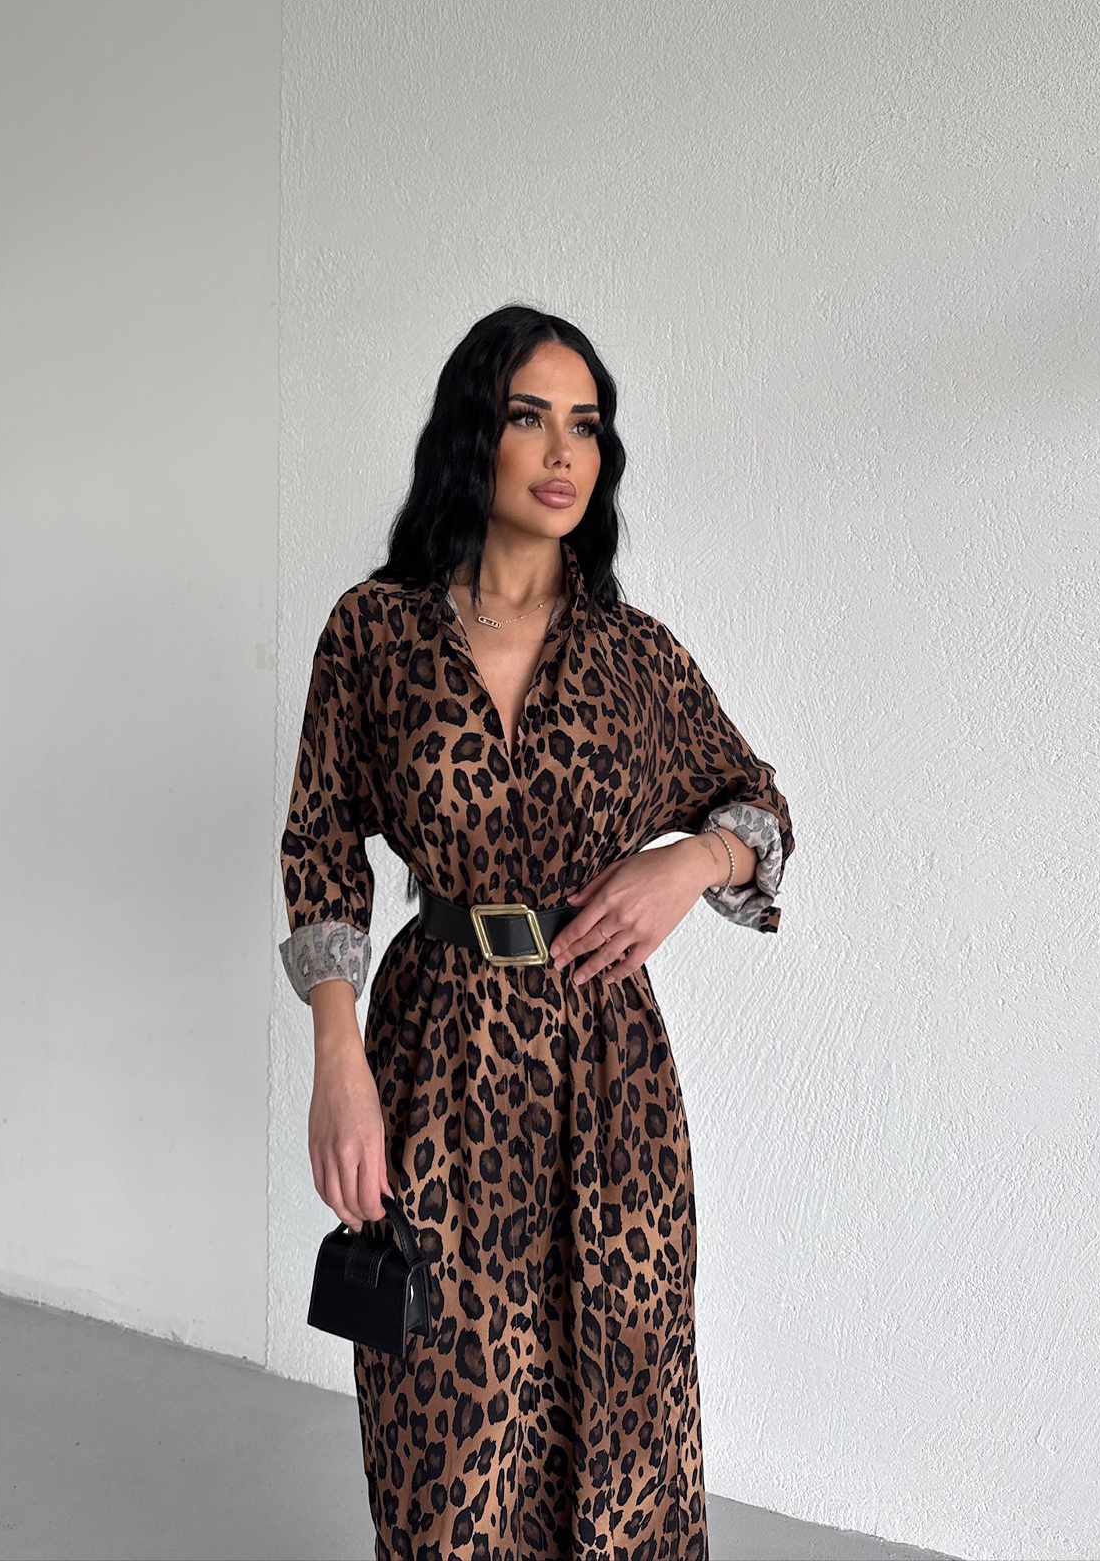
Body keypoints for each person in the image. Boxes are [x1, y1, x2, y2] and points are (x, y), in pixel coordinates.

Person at [279, 303, 794, 1561]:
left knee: (621, 1406)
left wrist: (692, 863)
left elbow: (762, 808)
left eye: (588, 425)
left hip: (606, 1070)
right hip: (435, 1056)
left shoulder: (635, 656)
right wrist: (338, 1060)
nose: (565, 453)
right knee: (447, 1427)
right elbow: (321, 849)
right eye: (530, 418)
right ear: (476, 436)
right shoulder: (377, 632)